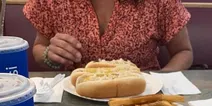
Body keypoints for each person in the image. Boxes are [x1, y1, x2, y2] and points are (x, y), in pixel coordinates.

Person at [23, 0, 193, 71]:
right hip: (75, 98)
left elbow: (183, 52)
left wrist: (161, 81)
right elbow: (39, 48)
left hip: (142, 100)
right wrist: (50, 56)